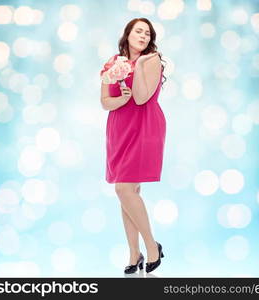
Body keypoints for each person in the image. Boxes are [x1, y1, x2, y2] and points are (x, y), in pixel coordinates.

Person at [100, 18, 167, 274]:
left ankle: (152, 246)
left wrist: (138, 65)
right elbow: (105, 102)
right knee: (128, 192)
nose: (142, 36)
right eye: (138, 31)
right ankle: (133, 252)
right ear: (127, 34)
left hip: (144, 126)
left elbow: (141, 98)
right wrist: (120, 99)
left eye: (147, 34)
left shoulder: (150, 62)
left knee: (123, 189)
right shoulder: (112, 63)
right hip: (119, 128)